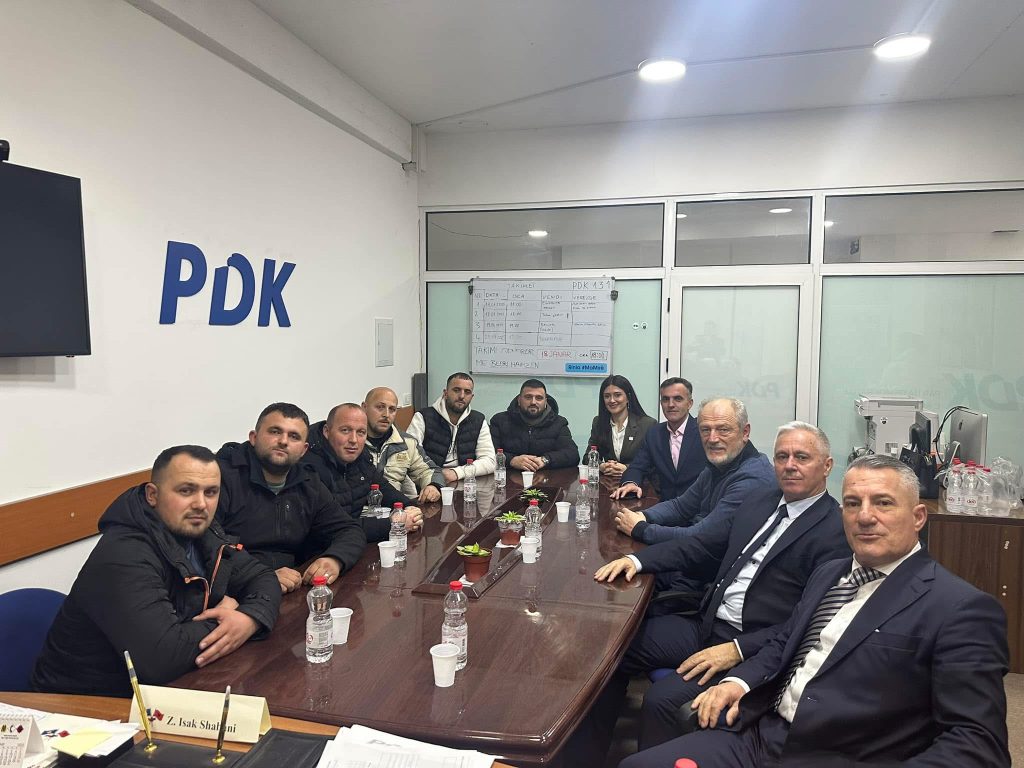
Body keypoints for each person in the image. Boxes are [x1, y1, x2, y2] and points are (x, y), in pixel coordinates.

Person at [622, 455, 1010, 768]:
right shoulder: (831, 574)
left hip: (841, 755)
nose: (865, 516)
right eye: (853, 503)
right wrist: (738, 682)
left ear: (918, 518)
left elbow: (978, 745)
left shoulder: (960, 608)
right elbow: (784, 642)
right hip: (761, 735)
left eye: (883, 503)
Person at [590, 423, 851, 755]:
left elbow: (810, 622)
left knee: (662, 700)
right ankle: (588, 754)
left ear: (827, 466)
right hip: (708, 625)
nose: (789, 465)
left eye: (802, 457)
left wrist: (738, 649)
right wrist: (637, 560)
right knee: (610, 648)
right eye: (782, 456)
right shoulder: (761, 501)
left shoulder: (835, 531)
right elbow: (702, 545)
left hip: (753, 647)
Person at [32, 446, 281, 696]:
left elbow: (263, 578)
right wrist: (228, 617)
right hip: (84, 704)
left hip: (161, 692)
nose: (201, 504)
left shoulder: (202, 532)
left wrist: (249, 618)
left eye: (211, 492)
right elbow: (162, 658)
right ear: (153, 495)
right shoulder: (124, 553)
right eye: (186, 491)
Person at [216, 402, 366, 593]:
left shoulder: (308, 482)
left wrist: (335, 559)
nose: (283, 441)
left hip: (291, 587)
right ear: (254, 438)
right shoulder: (221, 478)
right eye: (275, 432)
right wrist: (259, 576)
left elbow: (348, 529)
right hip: (233, 590)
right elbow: (207, 545)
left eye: (294, 436)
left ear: (303, 450)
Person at [613, 398, 775, 545]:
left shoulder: (752, 477)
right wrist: (643, 516)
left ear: (745, 432)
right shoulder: (717, 466)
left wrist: (640, 528)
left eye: (723, 430)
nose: (712, 439)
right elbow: (681, 506)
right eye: (705, 430)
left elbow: (704, 535)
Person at [305, 403, 424, 542]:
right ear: (327, 431)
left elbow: (387, 491)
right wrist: (393, 524)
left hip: (352, 543)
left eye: (361, 432)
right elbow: (332, 528)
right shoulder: (309, 468)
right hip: (319, 551)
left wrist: (410, 509)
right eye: (345, 430)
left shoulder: (361, 459)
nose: (353, 440)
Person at [610, 377, 705, 499]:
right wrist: (630, 483)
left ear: (690, 403)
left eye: (678, 399)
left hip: (699, 504)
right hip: (664, 504)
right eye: (665, 399)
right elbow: (638, 466)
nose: (671, 404)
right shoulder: (654, 433)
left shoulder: (703, 432)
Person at [407, 372, 496, 483]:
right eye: (456, 390)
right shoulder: (423, 417)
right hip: (429, 480)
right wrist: (435, 477)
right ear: (445, 393)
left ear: (472, 397)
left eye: (467, 392)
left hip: (464, 479)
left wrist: (457, 473)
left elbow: (490, 461)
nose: (462, 396)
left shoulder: (478, 420)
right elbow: (411, 456)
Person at [363, 386, 445, 503]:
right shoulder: (352, 444)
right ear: (364, 408)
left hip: (397, 508)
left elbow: (429, 471)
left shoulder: (406, 443)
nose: (386, 414)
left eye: (392, 409)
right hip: (362, 510)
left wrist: (433, 486)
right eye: (380, 407)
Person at [489, 378, 580, 470]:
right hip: (509, 476)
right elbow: (488, 453)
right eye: (528, 397)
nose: (533, 402)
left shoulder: (559, 423)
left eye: (539, 398)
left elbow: (572, 454)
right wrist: (511, 460)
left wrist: (546, 459)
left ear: (545, 402)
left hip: (547, 476)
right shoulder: (500, 421)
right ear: (519, 400)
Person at [586, 374, 658, 480]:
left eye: (617, 395)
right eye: (607, 396)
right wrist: (601, 466)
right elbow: (588, 456)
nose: (612, 400)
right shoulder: (599, 422)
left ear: (628, 397)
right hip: (609, 483)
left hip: (639, 483)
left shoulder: (647, 424)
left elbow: (654, 462)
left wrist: (627, 468)